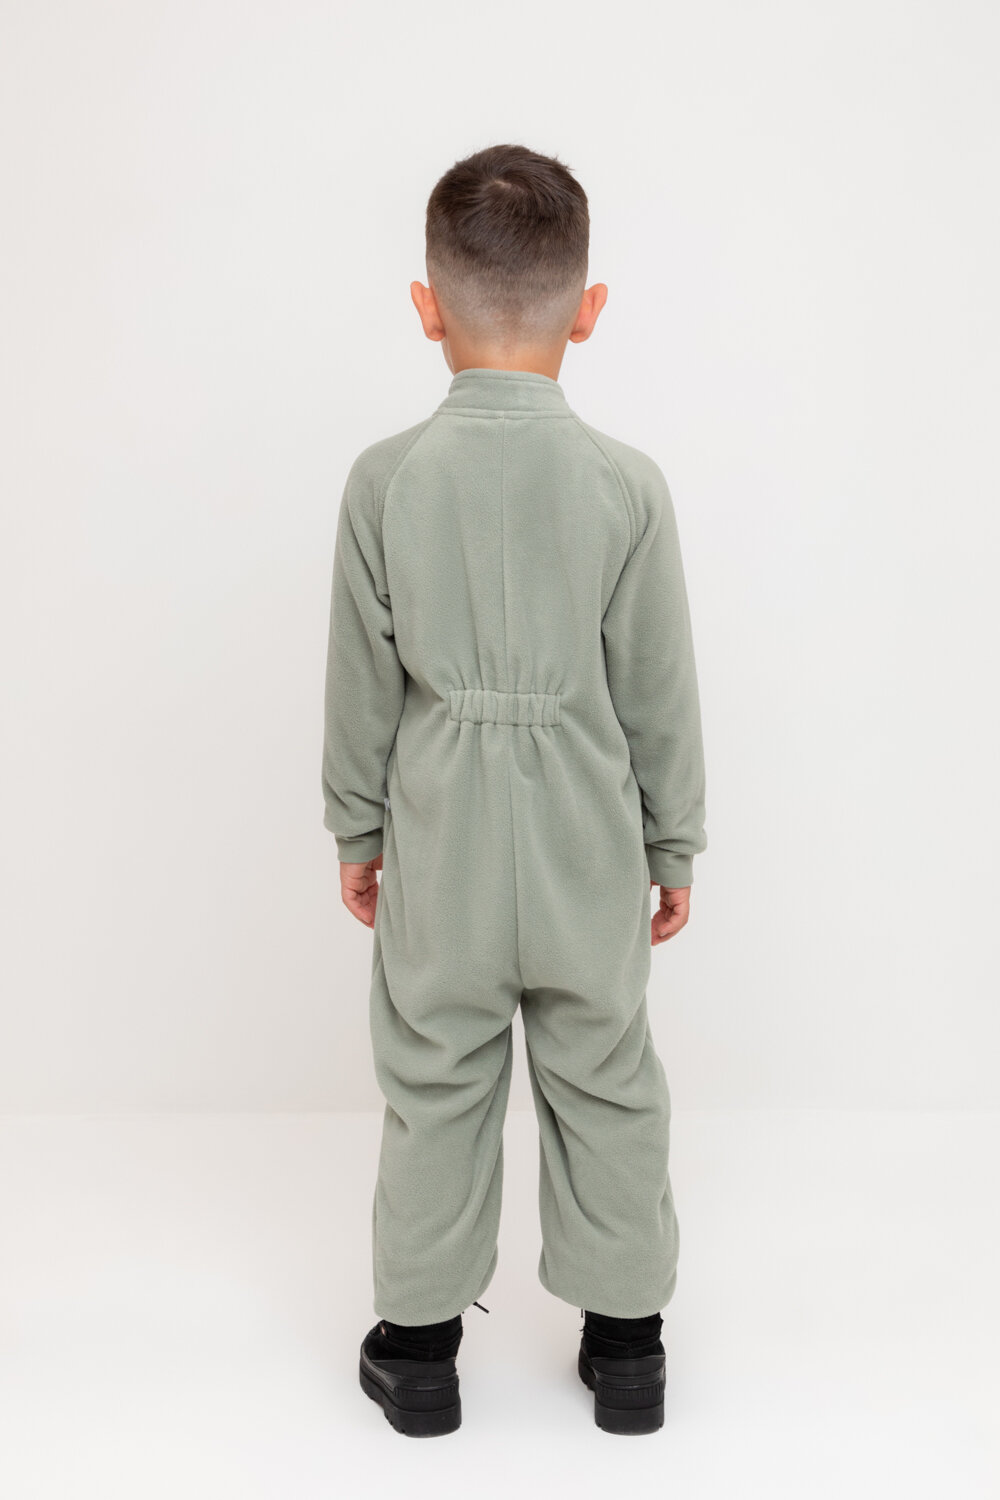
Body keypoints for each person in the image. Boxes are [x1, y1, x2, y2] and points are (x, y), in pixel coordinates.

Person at [321, 143, 707, 1437]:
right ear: (588, 310)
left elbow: (360, 686)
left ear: (425, 307)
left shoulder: (386, 480)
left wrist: (358, 830)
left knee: (436, 1079)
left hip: (443, 840)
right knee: (608, 1077)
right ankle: (629, 1350)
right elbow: (658, 687)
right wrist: (672, 844)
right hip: (589, 840)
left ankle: (420, 1354)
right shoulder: (626, 485)